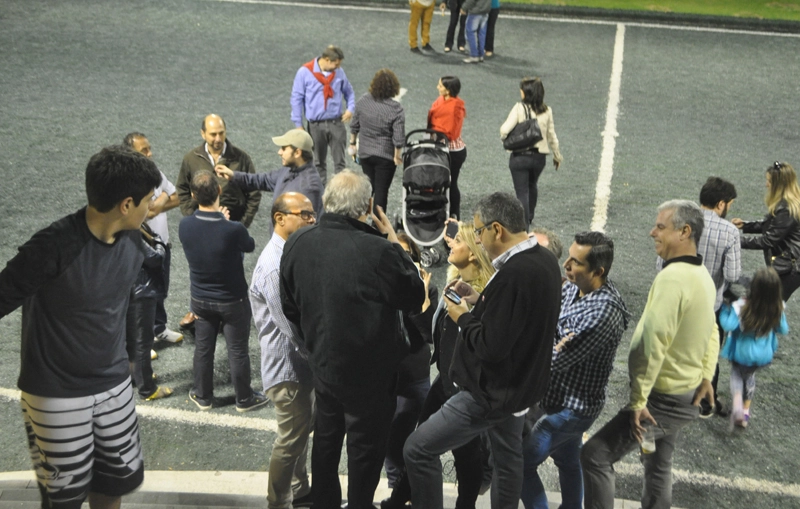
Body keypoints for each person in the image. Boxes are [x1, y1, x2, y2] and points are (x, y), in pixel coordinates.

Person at [0, 145, 161, 509]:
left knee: (112, 487)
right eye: (148, 201)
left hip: (115, 387)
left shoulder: (134, 236)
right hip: (56, 396)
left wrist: (131, 360)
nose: (153, 206)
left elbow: (127, 303)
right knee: (64, 500)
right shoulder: (52, 247)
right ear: (126, 205)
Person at [403, 192, 562, 509]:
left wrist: (462, 317)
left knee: (418, 449)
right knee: (507, 459)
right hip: (521, 390)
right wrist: (481, 300)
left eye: (478, 231)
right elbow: (519, 318)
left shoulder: (515, 273)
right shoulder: (544, 260)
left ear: (497, 230)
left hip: (490, 392)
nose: (476, 238)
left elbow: (491, 347)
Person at [280, 170, 425, 509]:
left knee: (326, 445)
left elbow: (290, 305)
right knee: (365, 454)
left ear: (327, 202)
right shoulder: (379, 251)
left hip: (325, 369)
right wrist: (391, 238)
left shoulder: (298, 242)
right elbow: (414, 296)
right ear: (368, 206)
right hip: (372, 378)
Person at [581, 200, 719, 509]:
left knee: (595, 456)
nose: (651, 232)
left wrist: (638, 401)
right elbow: (712, 330)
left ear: (685, 231)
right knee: (656, 462)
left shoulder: (673, 279)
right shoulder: (703, 277)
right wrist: (707, 374)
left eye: (660, 226)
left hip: (661, 403)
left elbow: (651, 342)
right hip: (683, 397)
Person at [382, 221, 495, 509]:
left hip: (462, 390)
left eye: (457, 242)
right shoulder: (456, 284)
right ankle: (398, 500)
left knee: (464, 454)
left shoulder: (483, 298)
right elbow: (436, 337)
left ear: (473, 253)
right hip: (443, 383)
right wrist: (422, 306)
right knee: (419, 446)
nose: (449, 244)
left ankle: (462, 504)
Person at [521, 232, 630, 509]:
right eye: (568, 257)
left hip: (571, 408)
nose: (566, 264)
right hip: (556, 398)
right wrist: (554, 342)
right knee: (569, 461)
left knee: (520, 465)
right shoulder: (572, 286)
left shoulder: (603, 313)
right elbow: (548, 329)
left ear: (598, 271)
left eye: (576, 262)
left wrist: (549, 345)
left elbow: (553, 362)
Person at [179, 171, 267, 413]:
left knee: (203, 348)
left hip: (200, 300)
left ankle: (203, 396)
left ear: (194, 195)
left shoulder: (185, 225)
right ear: (219, 191)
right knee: (237, 350)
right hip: (232, 300)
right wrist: (225, 222)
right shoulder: (233, 229)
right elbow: (248, 245)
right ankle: (244, 399)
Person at [251, 192, 317, 509]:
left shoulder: (289, 252)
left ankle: (299, 489)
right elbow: (288, 325)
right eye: (304, 214)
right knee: (290, 440)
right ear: (280, 218)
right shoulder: (273, 267)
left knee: (300, 433)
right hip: (288, 368)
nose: (312, 219)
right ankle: (278, 502)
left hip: (296, 365)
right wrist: (318, 357)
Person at [176, 114, 262, 329]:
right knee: (200, 270)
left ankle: (227, 313)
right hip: (201, 227)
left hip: (229, 231)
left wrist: (241, 224)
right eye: (213, 134)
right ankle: (197, 310)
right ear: (203, 133)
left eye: (221, 133)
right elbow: (182, 189)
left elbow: (253, 194)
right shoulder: (191, 158)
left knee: (231, 270)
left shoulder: (241, 158)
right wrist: (192, 217)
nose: (218, 138)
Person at [669, 177, 740, 418]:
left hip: (678, 302)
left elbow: (663, 263)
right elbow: (732, 273)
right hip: (711, 306)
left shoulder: (680, 222)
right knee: (709, 354)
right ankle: (705, 403)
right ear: (721, 204)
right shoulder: (729, 231)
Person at [383, 232, 436, 495]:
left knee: (410, 442)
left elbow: (429, 334)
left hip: (414, 375)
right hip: (383, 376)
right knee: (388, 442)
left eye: (407, 255)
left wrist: (421, 297)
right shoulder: (378, 286)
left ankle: (408, 493)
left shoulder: (428, 289)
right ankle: (398, 492)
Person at [123, 132, 184, 345]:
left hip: (162, 243)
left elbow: (176, 198)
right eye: (144, 150)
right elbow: (145, 213)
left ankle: (159, 328)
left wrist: (161, 200)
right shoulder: (127, 181)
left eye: (149, 149)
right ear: (131, 154)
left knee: (161, 288)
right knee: (142, 296)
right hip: (141, 248)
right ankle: (141, 340)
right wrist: (162, 199)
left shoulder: (154, 172)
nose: (150, 153)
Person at [215, 129, 324, 231]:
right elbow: (263, 180)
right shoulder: (288, 170)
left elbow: (306, 228)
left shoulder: (309, 187)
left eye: (284, 148)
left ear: (297, 153)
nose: (279, 152)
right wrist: (233, 175)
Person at [720, 267, 787, 429]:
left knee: (736, 375)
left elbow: (728, 324)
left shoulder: (742, 306)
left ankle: (737, 402)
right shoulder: (777, 308)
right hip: (762, 355)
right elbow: (783, 329)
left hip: (740, 353)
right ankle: (745, 410)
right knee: (750, 377)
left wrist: (725, 309)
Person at [732, 161, 800, 301]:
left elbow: (768, 240)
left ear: (778, 185)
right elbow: (773, 226)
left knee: (770, 308)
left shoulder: (786, 209)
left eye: (769, 181)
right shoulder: (787, 203)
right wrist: (746, 225)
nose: (766, 184)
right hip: (787, 264)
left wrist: (737, 240)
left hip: (789, 270)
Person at [500, 77, 562, 225]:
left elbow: (504, 130)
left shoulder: (519, 108)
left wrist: (508, 139)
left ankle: (523, 225)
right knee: (532, 185)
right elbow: (552, 136)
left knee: (522, 191)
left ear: (526, 93)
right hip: (539, 158)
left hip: (520, 157)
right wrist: (557, 155)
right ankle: (530, 216)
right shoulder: (547, 110)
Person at [291, 45, 356, 185]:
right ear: (327, 60)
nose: (338, 67)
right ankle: (320, 194)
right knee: (318, 162)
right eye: (336, 64)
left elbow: (349, 92)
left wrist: (350, 109)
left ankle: (340, 193)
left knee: (340, 162)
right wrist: (298, 125)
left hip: (336, 123)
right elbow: (297, 98)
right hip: (315, 125)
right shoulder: (305, 72)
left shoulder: (339, 73)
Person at [127, 222, 173, 401]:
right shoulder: (130, 231)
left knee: (132, 338)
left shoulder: (117, 226)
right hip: (141, 293)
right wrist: (160, 242)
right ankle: (147, 388)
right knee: (143, 341)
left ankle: (135, 375)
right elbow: (155, 258)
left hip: (129, 290)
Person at [349, 68, 405, 213]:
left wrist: (352, 144)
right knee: (381, 191)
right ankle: (379, 224)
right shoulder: (395, 109)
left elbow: (354, 126)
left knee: (369, 188)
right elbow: (398, 138)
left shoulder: (363, 101)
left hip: (366, 153)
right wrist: (397, 156)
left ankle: (362, 216)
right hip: (385, 156)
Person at [427, 76, 466, 219]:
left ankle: (454, 215)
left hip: (452, 152)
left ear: (448, 90)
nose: (438, 87)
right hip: (440, 148)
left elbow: (452, 132)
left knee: (451, 183)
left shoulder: (456, 107)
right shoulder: (440, 101)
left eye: (440, 86)